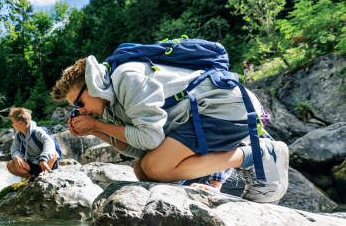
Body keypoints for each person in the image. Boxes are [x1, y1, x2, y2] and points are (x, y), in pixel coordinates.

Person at [51, 56, 289, 203]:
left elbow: (150, 138)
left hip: (223, 107)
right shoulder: (110, 104)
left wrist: (97, 125)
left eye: (79, 104)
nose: (80, 112)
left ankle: (260, 154)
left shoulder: (126, 77)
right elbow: (140, 151)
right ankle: (198, 189)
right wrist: (97, 131)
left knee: (156, 167)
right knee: (143, 170)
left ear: (92, 85)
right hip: (202, 116)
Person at [7, 107, 60, 179]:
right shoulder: (19, 135)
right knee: (10, 165)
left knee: (54, 153)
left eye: (13, 122)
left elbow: (49, 143)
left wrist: (43, 159)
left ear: (20, 123)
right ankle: (32, 178)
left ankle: (46, 173)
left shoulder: (38, 132)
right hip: (33, 163)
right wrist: (17, 157)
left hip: (46, 162)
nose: (12, 125)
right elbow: (14, 149)